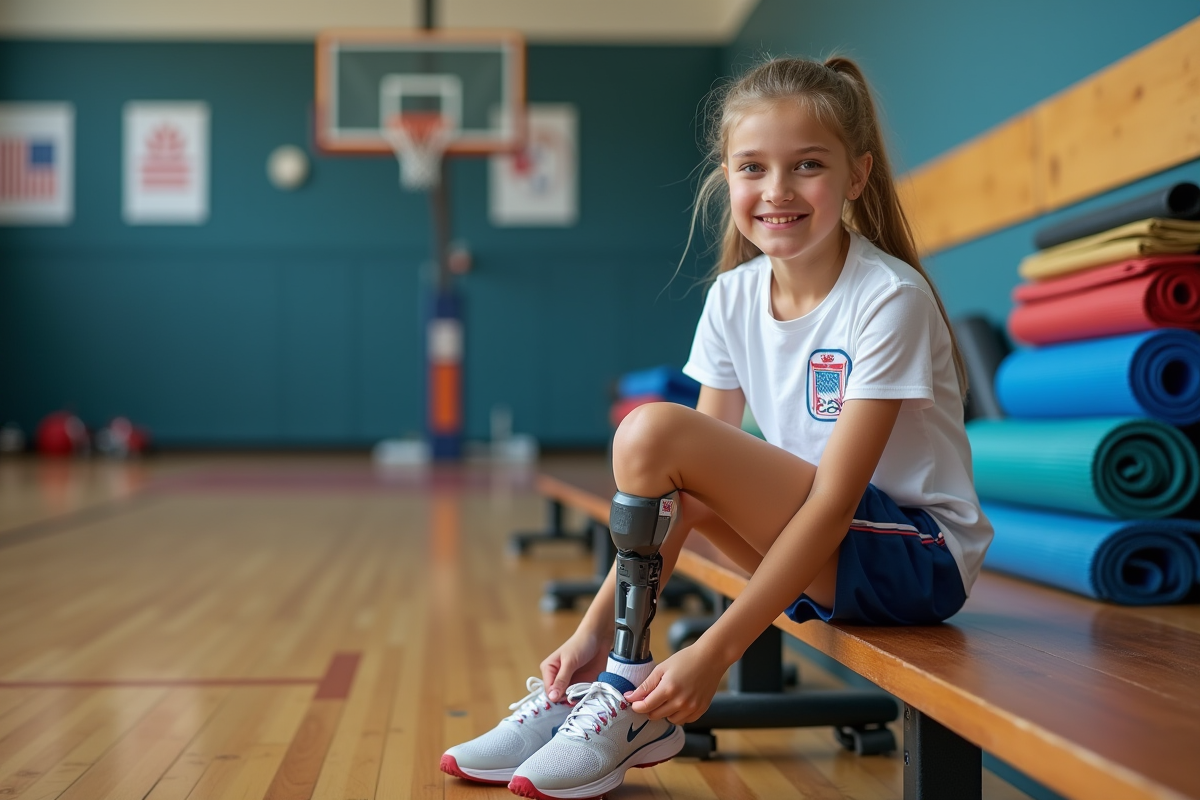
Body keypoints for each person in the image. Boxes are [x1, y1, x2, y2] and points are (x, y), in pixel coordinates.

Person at [442, 54, 994, 799]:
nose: (777, 191)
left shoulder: (886, 297)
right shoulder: (734, 297)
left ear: (856, 176)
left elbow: (833, 503)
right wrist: (590, 628)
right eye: (753, 167)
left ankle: (623, 692)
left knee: (651, 435)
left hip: (917, 557)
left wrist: (715, 651)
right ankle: (604, 683)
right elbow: (679, 497)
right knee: (664, 463)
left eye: (807, 166)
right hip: (838, 543)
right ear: (726, 177)